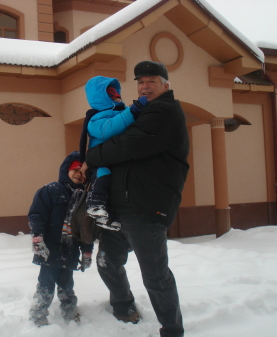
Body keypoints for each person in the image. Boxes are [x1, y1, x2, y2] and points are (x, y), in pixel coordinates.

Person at [84, 61, 189, 337]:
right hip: (121, 206)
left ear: (165, 85)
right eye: (140, 82)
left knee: (155, 274)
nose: (144, 86)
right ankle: (123, 306)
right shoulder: (140, 112)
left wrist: (91, 156)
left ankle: (172, 329)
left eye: (151, 81)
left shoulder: (165, 111)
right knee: (108, 261)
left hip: (146, 207)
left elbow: (126, 145)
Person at [28, 151, 94, 327]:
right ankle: (38, 316)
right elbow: (37, 215)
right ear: (66, 170)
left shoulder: (85, 197)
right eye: (75, 170)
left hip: (70, 249)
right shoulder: (51, 190)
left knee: (67, 285)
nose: (78, 174)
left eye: (82, 172)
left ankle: (70, 314)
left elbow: (87, 228)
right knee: (46, 284)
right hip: (50, 248)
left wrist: (87, 250)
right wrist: (37, 238)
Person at [79, 76, 147, 231]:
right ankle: (95, 205)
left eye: (117, 95)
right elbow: (109, 129)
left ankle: (110, 217)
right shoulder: (96, 118)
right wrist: (133, 111)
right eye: (111, 95)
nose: (116, 97)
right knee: (103, 177)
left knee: (117, 188)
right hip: (101, 163)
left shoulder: (123, 113)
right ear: (101, 97)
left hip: (117, 160)